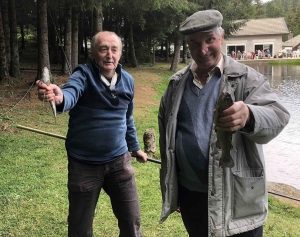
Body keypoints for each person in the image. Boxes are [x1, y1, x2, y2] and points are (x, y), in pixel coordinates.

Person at [158, 10, 290, 237]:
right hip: (192, 198)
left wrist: (250, 116)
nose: (202, 50)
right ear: (187, 45)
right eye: (194, 43)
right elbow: (166, 141)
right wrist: (173, 191)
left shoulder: (247, 78)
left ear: (222, 37)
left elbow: (279, 116)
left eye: (209, 40)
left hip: (237, 202)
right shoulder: (175, 85)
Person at [37, 31, 147, 237]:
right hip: (83, 164)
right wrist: (59, 97)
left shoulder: (128, 81)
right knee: (80, 225)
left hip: (119, 162)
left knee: (132, 221)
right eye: (103, 49)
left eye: (114, 49)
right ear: (94, 53)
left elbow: (127, 118)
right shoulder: (83, 75)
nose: (109, 55)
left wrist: (135, 148)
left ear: (120, 54)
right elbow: (70, 92)